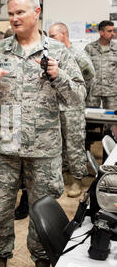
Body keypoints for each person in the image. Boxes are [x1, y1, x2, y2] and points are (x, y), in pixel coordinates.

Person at [0, 0, 86, 267]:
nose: (14, 18)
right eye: (10, 13)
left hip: (43, 151)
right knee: (1, 213)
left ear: (37, 12)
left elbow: (77, 97)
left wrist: (59, 76)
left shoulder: (59, 52)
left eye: (20, 12)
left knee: (40, 215)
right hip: (1, 150)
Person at [49, 22, 95, 197]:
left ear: (64, 35)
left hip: (72, 108)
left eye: (53, 36)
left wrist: (79, 99)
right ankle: (60, 176)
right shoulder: (54, 53)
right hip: (56, 106)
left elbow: (90, 79)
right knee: (58, 144)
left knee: (74, 145)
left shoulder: (77, 54)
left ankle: (77, 180)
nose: (50, 39)